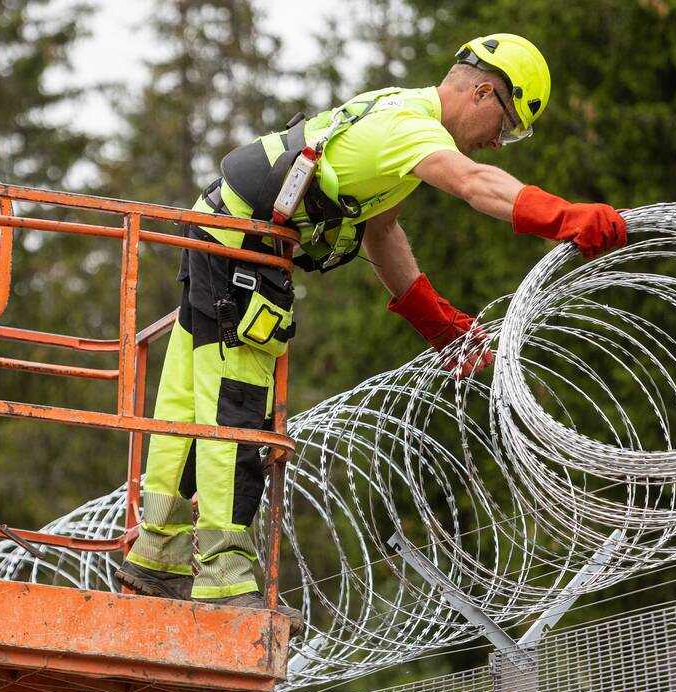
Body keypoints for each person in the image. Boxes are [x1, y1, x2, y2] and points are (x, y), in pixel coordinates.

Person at [114, 33, 626, 631]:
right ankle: (224, 579)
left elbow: (381, 233)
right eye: (505, 127)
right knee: (237, 408)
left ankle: (158, 554)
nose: (497, 144)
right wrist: (566, 218)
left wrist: (436, 323)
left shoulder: (396, 109)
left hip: (217, 233)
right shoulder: (412, 130)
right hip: (242, 253)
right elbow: (476, 185)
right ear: (484, 92)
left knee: (185, 398)